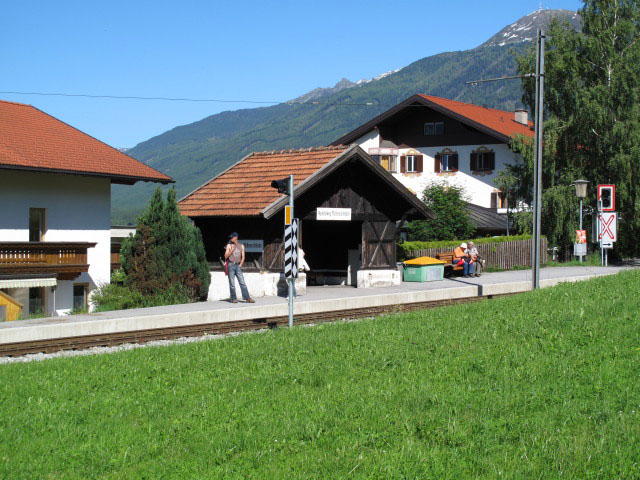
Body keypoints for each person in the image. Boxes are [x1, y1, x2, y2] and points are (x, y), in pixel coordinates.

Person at [224, 232, 255, 303]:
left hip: (238, 265)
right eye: (230, 237)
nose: (231, 238)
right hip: (231, 265)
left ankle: (247, 298)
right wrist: (231, 250)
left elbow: (243, 256)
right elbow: (225, 256)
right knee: (232, 283)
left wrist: (241, 264)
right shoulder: (229, 245)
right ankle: (233, 298)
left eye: (232, 237)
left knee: (242, 282)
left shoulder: (241, 246)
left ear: (236, 237)